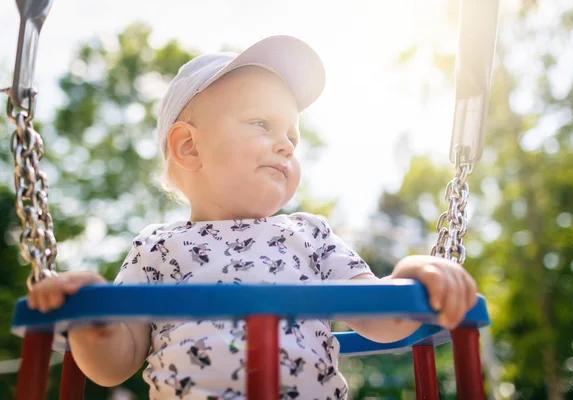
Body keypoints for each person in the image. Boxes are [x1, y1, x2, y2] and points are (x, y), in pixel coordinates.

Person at [26, 35, 477, 400]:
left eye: (292, 136)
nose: (285, 144)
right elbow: (115, 364)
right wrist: (92, 319)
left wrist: (413, 277)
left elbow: (382, 319)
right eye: (262, 124)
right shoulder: (158, 248)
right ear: (189, 147)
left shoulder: (309, 235)